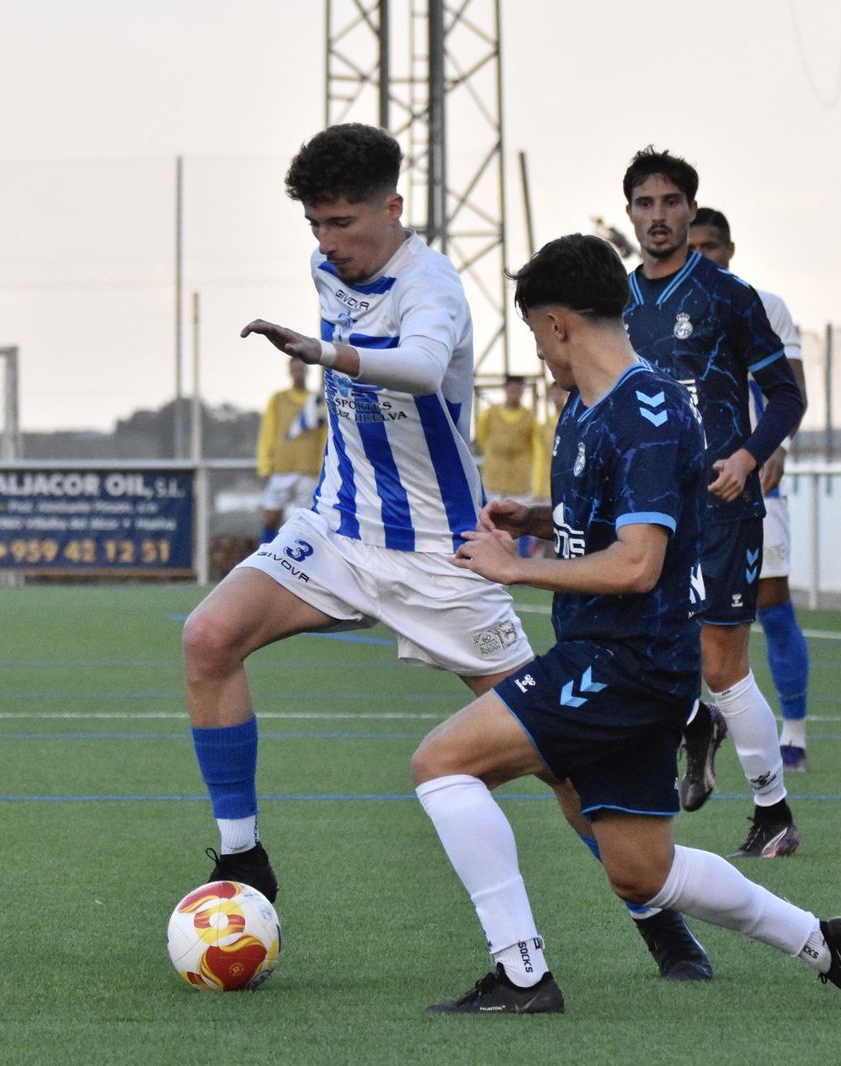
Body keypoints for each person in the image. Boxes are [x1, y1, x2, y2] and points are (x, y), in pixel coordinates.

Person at [182, 123, 710, 985]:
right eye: (315, 226)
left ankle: (656, 918)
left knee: (558, 761)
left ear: (394, 207)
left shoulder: (436, 288)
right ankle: (244, 860)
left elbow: (425, 367)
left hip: (443, 555)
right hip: (337, 528)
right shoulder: (329, 266)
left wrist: (322, 352)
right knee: (208, 638)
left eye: (344, 223)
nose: (328, 244)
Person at [413, 232, 841, 1014]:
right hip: (625, 664)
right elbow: (615, 518)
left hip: (621, 663)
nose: (541, 356)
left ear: (559, 324)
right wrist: (535, 519)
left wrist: (514, 567)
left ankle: (522, 974)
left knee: (441, 764)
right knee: (643, 870)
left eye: (536, 336)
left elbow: (637, 564)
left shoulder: (647, 410)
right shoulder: (589, 409)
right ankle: (827, 944)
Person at [620, 149, 806, 859]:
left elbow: (787, 395)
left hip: (721, 502)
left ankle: (773, 811)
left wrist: (748, 455)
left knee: (722, 661)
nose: (659, 216)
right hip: (644, 507)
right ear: (631, 213)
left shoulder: (728, 295)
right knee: (631, 646)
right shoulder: (618, 302)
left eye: (672, 202)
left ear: (690, 211)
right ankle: (696, 723)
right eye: (645, 203)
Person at [689, 207, 813, 771]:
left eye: (710, 246)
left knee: (772, 605)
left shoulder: (762, 304)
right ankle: (694, 726)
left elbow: (789, 392)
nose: (701, 255)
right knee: (677, 609)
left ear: (729, 250)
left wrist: (772, 449)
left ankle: (795, 730)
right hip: (682, 484)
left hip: (752, 477)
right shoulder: (652, 304)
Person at [255, 357, 327, 542]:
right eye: (295, 370)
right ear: (290, 371)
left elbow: (323, 436)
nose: (298, 373)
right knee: (272, 516)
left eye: (301, 369)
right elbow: (267, 432)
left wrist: (322, 468)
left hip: (308, 469)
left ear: (307, 371)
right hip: (281, 468)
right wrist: (265, 465)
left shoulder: (317, 400)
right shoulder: (278, 399)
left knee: (306, 520)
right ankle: (266, 552)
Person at [474, 375, 540, 502]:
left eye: (518, 390)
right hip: (493, 479)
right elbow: (481, 436)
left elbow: (536, 447)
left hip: (519, 483)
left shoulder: (530, 418)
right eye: (512, 390)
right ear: (505, 390)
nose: (514, 394)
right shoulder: (489, 413)